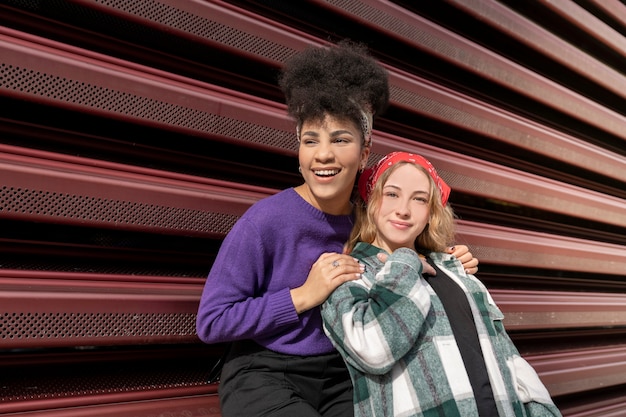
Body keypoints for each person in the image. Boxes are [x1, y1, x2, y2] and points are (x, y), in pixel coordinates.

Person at [195, 41, 479, 417]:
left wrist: (449, 263)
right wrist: (302, 295)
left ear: (364, 152)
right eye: (310, 140)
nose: (323, 154)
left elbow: (408, 257)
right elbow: (212, 322)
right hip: (263, 371)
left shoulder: (369, 217)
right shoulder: (265, 221)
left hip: (345, 375)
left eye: (340, 139)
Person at [321, 151, 561, 417]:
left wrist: (542, 410)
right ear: (369, 198)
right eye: (392, 194)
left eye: (419, 199)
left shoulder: (456, 269)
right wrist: (405, 263)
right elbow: (374, 350)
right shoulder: (349, 273)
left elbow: (507, 357)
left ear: (430, 212)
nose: (403, 209)